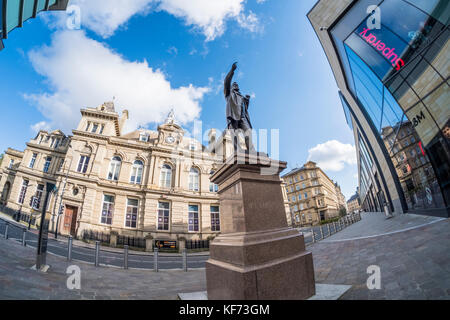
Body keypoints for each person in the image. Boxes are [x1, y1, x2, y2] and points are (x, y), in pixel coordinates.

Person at [224, 62, 255, 152]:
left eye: (237, 84)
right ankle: (237, 150)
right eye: (234, 84)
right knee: (234, 134)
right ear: (232, 87)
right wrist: (232, 71)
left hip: (243, 117)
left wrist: (247, 100)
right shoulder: (228, 93)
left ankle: (251, 150)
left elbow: (244, 108)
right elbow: (226, 81)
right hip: (233, 116)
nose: (236, 84)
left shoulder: (241, 97)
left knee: (248, 132)